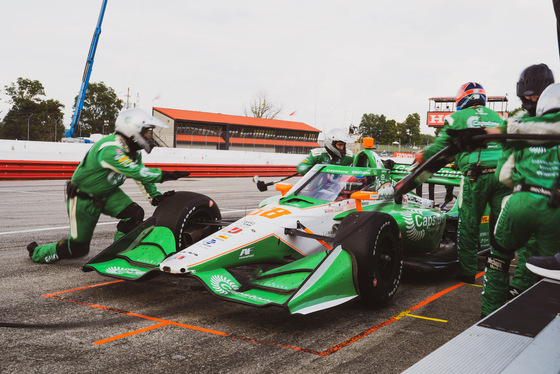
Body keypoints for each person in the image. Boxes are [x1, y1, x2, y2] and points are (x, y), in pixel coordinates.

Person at [27, 108, 190, 264]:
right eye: (146, 132)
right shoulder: (110, 149)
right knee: (77, 249)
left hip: (108, 193)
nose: (149, 137)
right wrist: (167, 175)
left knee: (134, 213)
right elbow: (137, 172)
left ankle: (119, 252)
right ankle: (37, 253)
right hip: (84, 196)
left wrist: (154, 195)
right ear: (133, 132)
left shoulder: (133, 152)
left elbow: (141, 176)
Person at [415, 82, 510, 284]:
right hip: (502, 175)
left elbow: (442, 147)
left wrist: (423, 156)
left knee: (468, 224)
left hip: (476, 175)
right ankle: (499, 268)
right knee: (501, 225)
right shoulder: (498, 118)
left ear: (461, 100)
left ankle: (468, 273)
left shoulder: (458, 117)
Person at [481, 83, 560, 316]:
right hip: (554, 207)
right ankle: (540, 319)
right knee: (547, 270)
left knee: (498, 257)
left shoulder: (522, 130)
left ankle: (489, 313)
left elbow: (503, 175)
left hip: (520, 201)